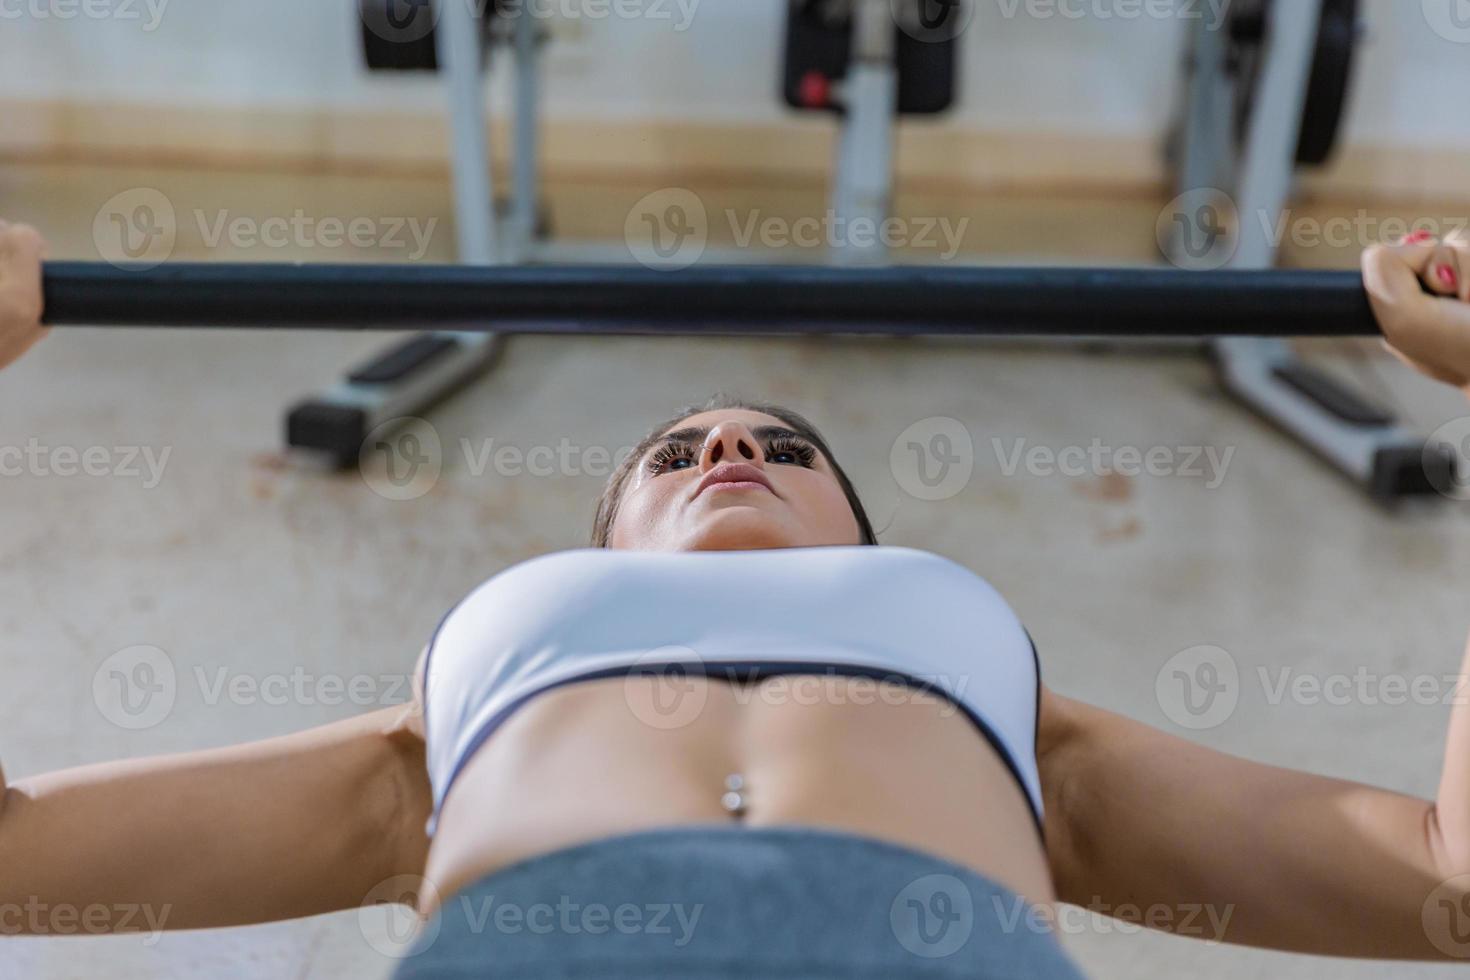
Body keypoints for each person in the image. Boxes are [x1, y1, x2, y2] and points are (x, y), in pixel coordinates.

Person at [1, 217, 1468, 978]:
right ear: (599, 550)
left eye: (786, 448)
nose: (729, 446)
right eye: (674, 450)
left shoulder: (1033, 746)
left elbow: (1444, 887)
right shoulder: (420, 764)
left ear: (867, 546)